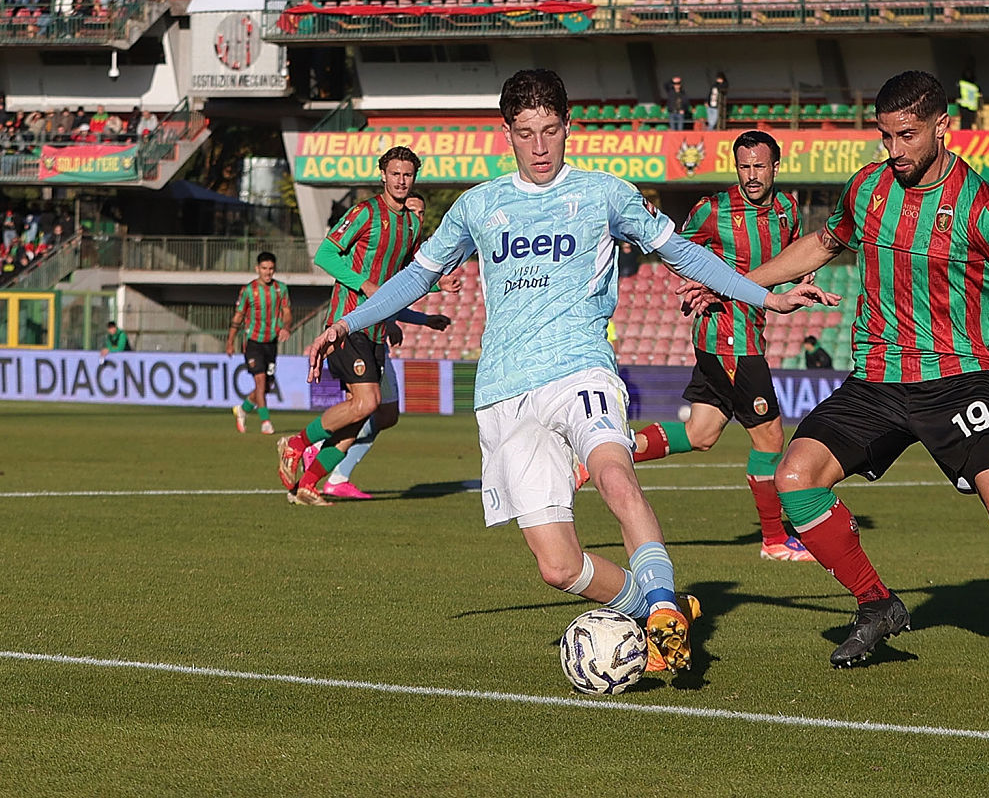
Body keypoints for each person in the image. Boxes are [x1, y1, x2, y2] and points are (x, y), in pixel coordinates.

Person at [294, 69, 835, 675]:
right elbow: (416, 277)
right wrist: (349, 321)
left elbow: (682, 252)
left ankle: (659, 610)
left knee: (614, 478)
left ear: (568, 127)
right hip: (503, 392)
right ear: (509, 134)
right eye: (526, 133)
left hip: (580, 370)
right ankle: (663, 611)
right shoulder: (478, 205)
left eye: (551, 130)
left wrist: (764, 297)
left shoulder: (606, 193)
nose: (541, 145)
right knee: (558, 566)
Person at [681, 70, 989, 674]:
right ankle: (877, 605)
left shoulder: (981, 206)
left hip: (959, 380)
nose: (894, 151)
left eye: (908, 136)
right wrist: (735, 285)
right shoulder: (869, 188)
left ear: (943, 128)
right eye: (885, 137)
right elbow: (821, 242)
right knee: (795, 477)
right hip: (877, 378)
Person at [597, 131, 815, 561]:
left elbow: (787, 262)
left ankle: (599, 457)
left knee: (700, 433)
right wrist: (694, 285)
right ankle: (773, 540)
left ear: (775, 166)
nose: (751, 175)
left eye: (759, 166)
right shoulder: (712, 210)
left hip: (750, 330)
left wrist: (803, 281)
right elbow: (676, 252)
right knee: (770, 440)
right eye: (744, 166)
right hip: (727, 337)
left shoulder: (788, 210)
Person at [290, 146, 453, 501]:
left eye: (407, 174)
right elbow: (325, 254)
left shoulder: (411, 222)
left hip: (377, 331)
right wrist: (363, 284)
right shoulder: (365, 212)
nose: (401, 180)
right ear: (383, 175)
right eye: (394, 173)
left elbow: (408, 277)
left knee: (361, 417)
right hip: (348, 324)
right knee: (368, 404)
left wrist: (440, 283)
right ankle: (294, 443)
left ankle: (307, 484)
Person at [227, 251, 293, 436]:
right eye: (264, 268)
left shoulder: (281, 289)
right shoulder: (248, 290)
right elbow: (238, 316)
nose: (268, 272)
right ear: (257, 269)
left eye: (271, 268)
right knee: (261, 380)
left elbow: (287, 312)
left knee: (267, 385)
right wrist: (230, 341)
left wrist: (286, 327)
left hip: (271, 343)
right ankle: (265, 421)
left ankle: (243, 409)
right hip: (253, 342)